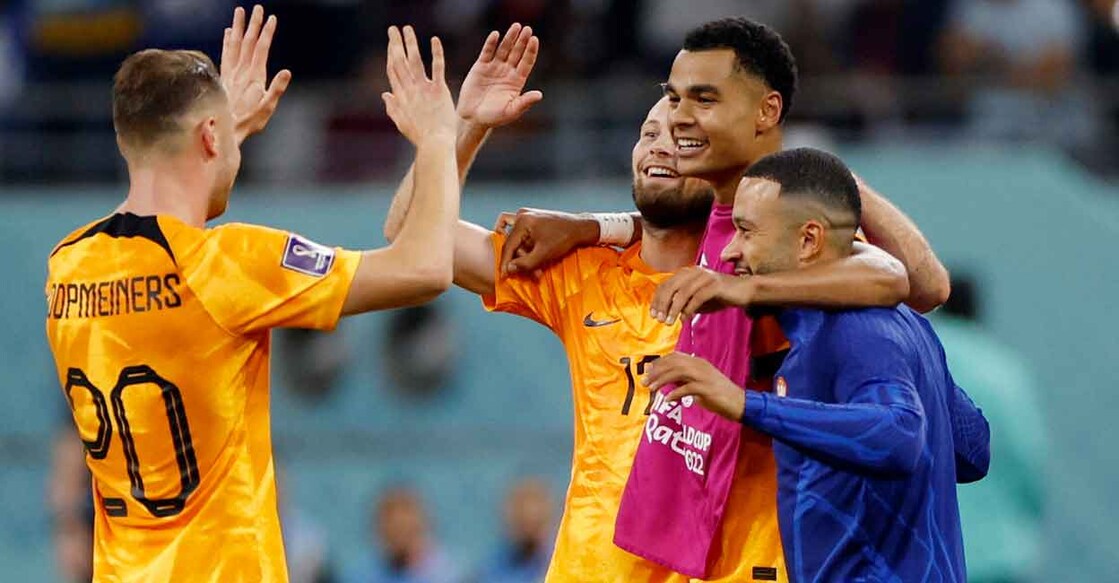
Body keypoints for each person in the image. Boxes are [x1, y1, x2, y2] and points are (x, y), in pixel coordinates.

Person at [385, 19, 946, 582]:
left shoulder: (770, 274)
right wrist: (463, 127)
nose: (662, 146)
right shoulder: (577, 271)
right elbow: (411, 233)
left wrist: (814, 175)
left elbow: (920, 283)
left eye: (684, 138)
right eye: (650, 133)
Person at [43, 5, 461, 580]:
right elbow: (425, 268)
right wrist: (439, 137)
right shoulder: (230, 263)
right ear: (209, 137)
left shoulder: (67, 268)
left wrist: (221, 131)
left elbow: (159, 251)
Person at [646, 147, 991, 582]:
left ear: (809, 240)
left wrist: (743, 403)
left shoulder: (855, 328)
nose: (730, 252)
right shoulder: (904, 326)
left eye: (746, 231)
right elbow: (973, 450)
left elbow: (899, 435)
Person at [345, 487, 464, 583]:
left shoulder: (446, 575)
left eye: (406, 530)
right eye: (393, 530)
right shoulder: (362, 575)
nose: (399, 538)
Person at [476, 477, 555, 583]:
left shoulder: (563, 563)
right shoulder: (495, 565)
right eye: (522, 521)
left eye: (534, 522)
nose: (527, 529)